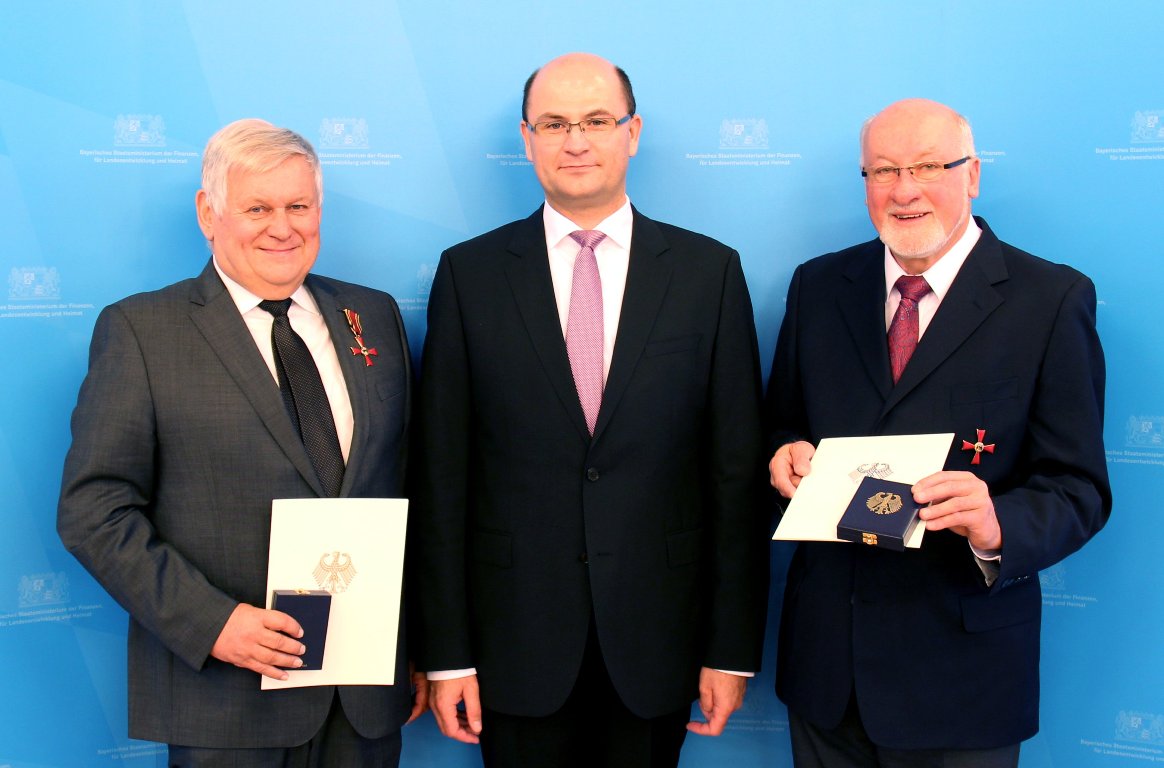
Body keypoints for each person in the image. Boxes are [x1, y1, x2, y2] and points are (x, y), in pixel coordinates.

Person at [412, 52, 768, 767]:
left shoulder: (709, 275)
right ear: (527, 140)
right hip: (514, 650)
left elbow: (735, 479)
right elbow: (441, 478)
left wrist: (730, 650)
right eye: (554, 124)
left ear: (632, 133)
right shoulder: (469, 275)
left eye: (596, 121)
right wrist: (447, 655)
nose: (575, 141)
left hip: (657, 645)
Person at [57, 118, 422, 766]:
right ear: (209, 212)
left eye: (298, 206)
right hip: (227, 703)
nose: (282, 227)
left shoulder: (375, 317)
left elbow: (409, 486)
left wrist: (419, 645)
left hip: (364, 703)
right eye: (258, 207)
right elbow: (94, 510)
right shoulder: (143, 332)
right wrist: (215, 624)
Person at [766, 98, 1111, 767]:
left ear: (973, 174)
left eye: (928, 166)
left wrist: (995, 522)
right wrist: (782, 456)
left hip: (963, 682)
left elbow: (1081, 489)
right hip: (827, 676)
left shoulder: (1051, 300)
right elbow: (782, 423)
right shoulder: (818, 287)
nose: (904, 190)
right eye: (883, 171)